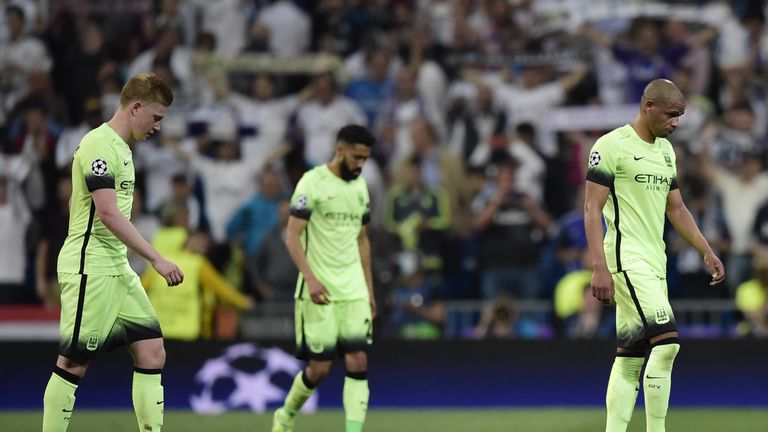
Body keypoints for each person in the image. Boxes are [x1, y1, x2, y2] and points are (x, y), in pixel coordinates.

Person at [42, 73, 184, 432]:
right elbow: (106, 213)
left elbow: (79, 200)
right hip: (91, 267)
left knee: (152, 351)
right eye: (156, 117)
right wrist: (156, 257)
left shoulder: (120, 148)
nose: (157, 126)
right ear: (136, 107)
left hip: (115, 267)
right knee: (73, 363)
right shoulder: (99, 145)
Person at [584, 79, 725, 432]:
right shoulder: (611, 145)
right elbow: (591, 208)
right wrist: (598, 268)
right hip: (626, 258)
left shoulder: (665, 151)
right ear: (648, 107)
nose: (676, 123)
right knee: (668, 344)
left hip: (655, 260)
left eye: (680, 116)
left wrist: (705, 249)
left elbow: (676, 208)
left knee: (630, 355)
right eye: (671, 115)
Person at [272, 125, 376, 432]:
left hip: (354, 289)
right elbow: (292, 236)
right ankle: (287, 414)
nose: (360, 164)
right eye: (357, 157)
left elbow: (362, 240)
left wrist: (369, 290)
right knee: (319, 368)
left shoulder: (360, 188)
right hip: (320, 290)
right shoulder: (312, 182)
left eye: (365, 159)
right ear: (340, 150)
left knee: (358, 360)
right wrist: (311, 278)